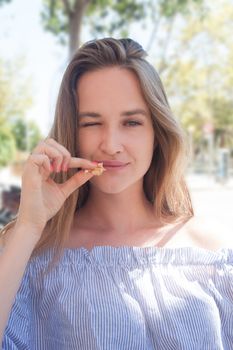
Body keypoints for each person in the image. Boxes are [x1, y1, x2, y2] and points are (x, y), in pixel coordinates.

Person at [0, 37, 232, 350]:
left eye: (132, 122)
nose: (110, 144)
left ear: (157, 133)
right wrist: (29, 224)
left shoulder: (213, 254)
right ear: (71, 133)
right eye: (91, 123)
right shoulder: (30, 253)